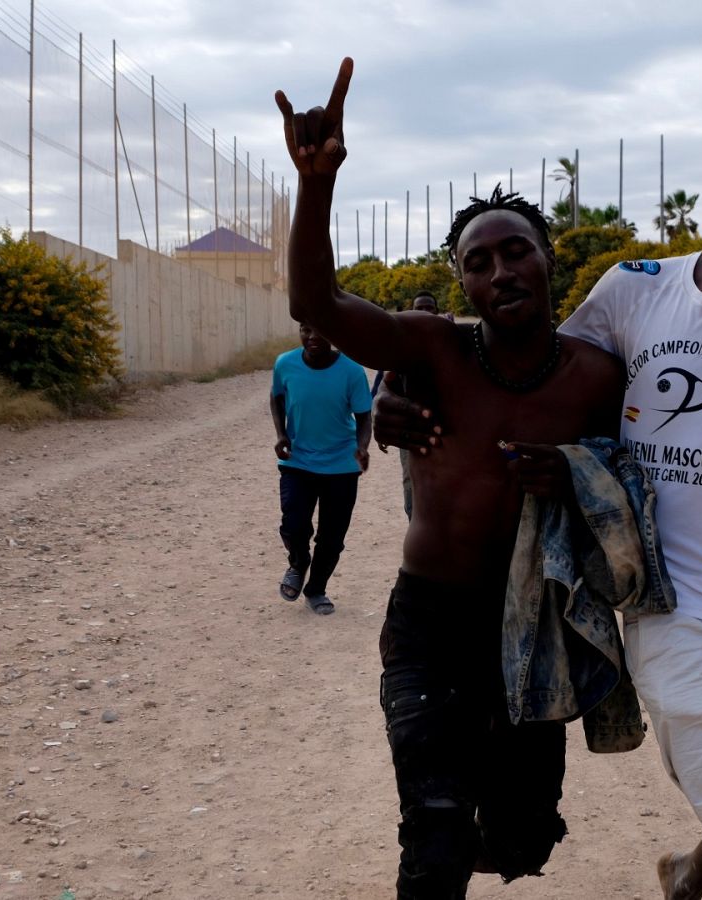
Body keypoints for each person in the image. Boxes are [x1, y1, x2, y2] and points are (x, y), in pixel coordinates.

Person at [375, 114, 702, 900]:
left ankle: (688, 870)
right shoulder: (637, 287)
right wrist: (398, 382)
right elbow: (525, 365)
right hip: (665, 605)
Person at [274, 58, 627, 897]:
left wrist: (578, 475)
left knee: (522, 841)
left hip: (531, 624)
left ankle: (469, 830)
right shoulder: (433, 350)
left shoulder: (596, 377)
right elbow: (318, 304)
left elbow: (638, 484)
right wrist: (316, 185)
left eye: (517, 252)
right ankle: (434, 840)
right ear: (460, 281)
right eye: (479, 261)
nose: (500, 271)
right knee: (431, 839)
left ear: (548, 262)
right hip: (429, 622)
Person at [270, 321, 373, 615]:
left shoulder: (352, 371)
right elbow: (276, 398)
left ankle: (316, 590)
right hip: (298, 459)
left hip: (341, 464)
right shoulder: (285, 364)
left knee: (332, 536)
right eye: (306, 329)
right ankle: (298, 563)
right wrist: (281, 434)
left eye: (322, 330)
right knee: (293, 522)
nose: (313, 336)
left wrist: (362, 447)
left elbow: (364, 417)